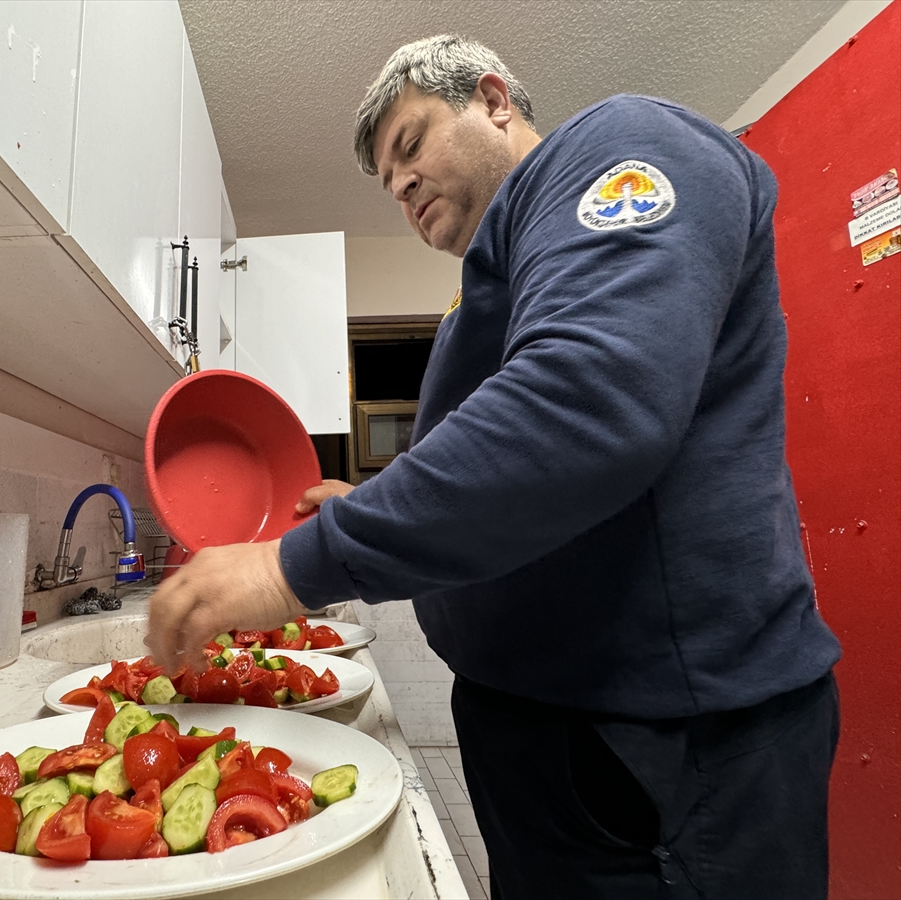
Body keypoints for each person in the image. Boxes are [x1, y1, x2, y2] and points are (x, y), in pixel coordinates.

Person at [147, 34, 842, 900]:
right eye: (388, 181)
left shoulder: (620, 146)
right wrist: (370, 503)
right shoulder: (497, 282)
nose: (400, 185)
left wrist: (288, 566)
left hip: (663, 742)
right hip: (552, 729)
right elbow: (520, 473)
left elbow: (588, 403)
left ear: (493, 99)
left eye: (411, 144)